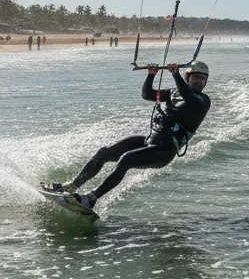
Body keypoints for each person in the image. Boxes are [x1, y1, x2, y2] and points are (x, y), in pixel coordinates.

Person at [47, 60, 211, 212]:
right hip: (149, 142)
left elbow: (188, 97)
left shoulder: (202, 101)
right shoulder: (174, 92)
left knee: (126, 159)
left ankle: (91, 199)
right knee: (104, 153)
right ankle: (72, 186)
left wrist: (175, 74)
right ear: (187, 77)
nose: (200, 82)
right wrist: (151, 75)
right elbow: (147, 95)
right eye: (196, 77)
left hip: (164, 152)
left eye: (203, 79)